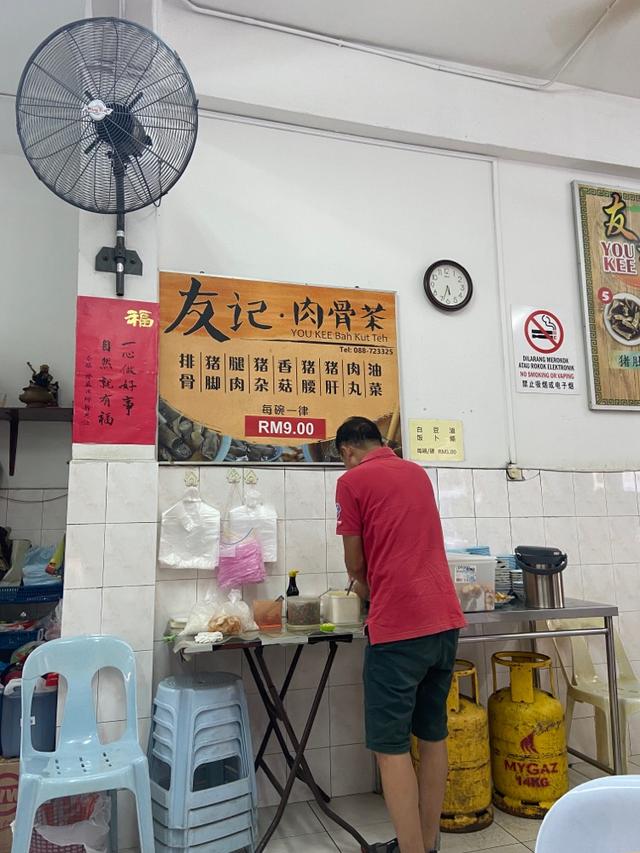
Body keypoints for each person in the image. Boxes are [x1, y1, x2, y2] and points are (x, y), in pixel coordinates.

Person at [334, 416, 466, 853]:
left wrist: (368, 589)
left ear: (348, 451)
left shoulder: (352, 481)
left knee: (390, 749)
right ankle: (427, 844)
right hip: (445, 621)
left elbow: (355, 565)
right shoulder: (416, 472)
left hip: (399, 629)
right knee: (432, 736)